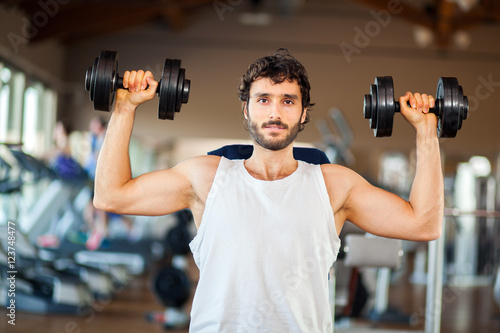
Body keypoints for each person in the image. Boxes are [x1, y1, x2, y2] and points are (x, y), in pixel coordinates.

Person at [93, 49, 443, 332]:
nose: (275, 112)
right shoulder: (205, 176)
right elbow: (111, 195)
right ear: (246, 109)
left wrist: (427, 130)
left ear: (304, 114)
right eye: (263, 99)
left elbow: (422, 224)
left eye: (288, 101)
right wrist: (125, 106)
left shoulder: (334, 184)